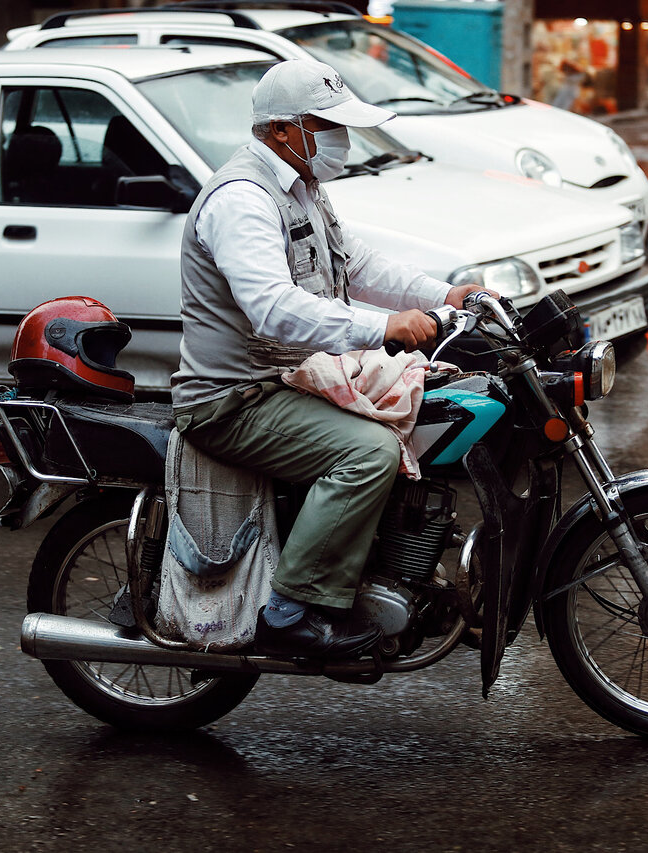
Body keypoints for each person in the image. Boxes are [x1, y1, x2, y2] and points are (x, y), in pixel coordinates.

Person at [171, 59, 488, 658]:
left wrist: (443, 295)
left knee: (436, 399)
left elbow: (357, 266)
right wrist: (385, 326)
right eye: (327, 125)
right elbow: (271, 308)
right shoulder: (243, 199)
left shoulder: (302, 188)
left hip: (293, 376)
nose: (341, 140)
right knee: (367, 451)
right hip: (238, 396)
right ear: (286, 131)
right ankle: (291, 610)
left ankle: (391, 570)